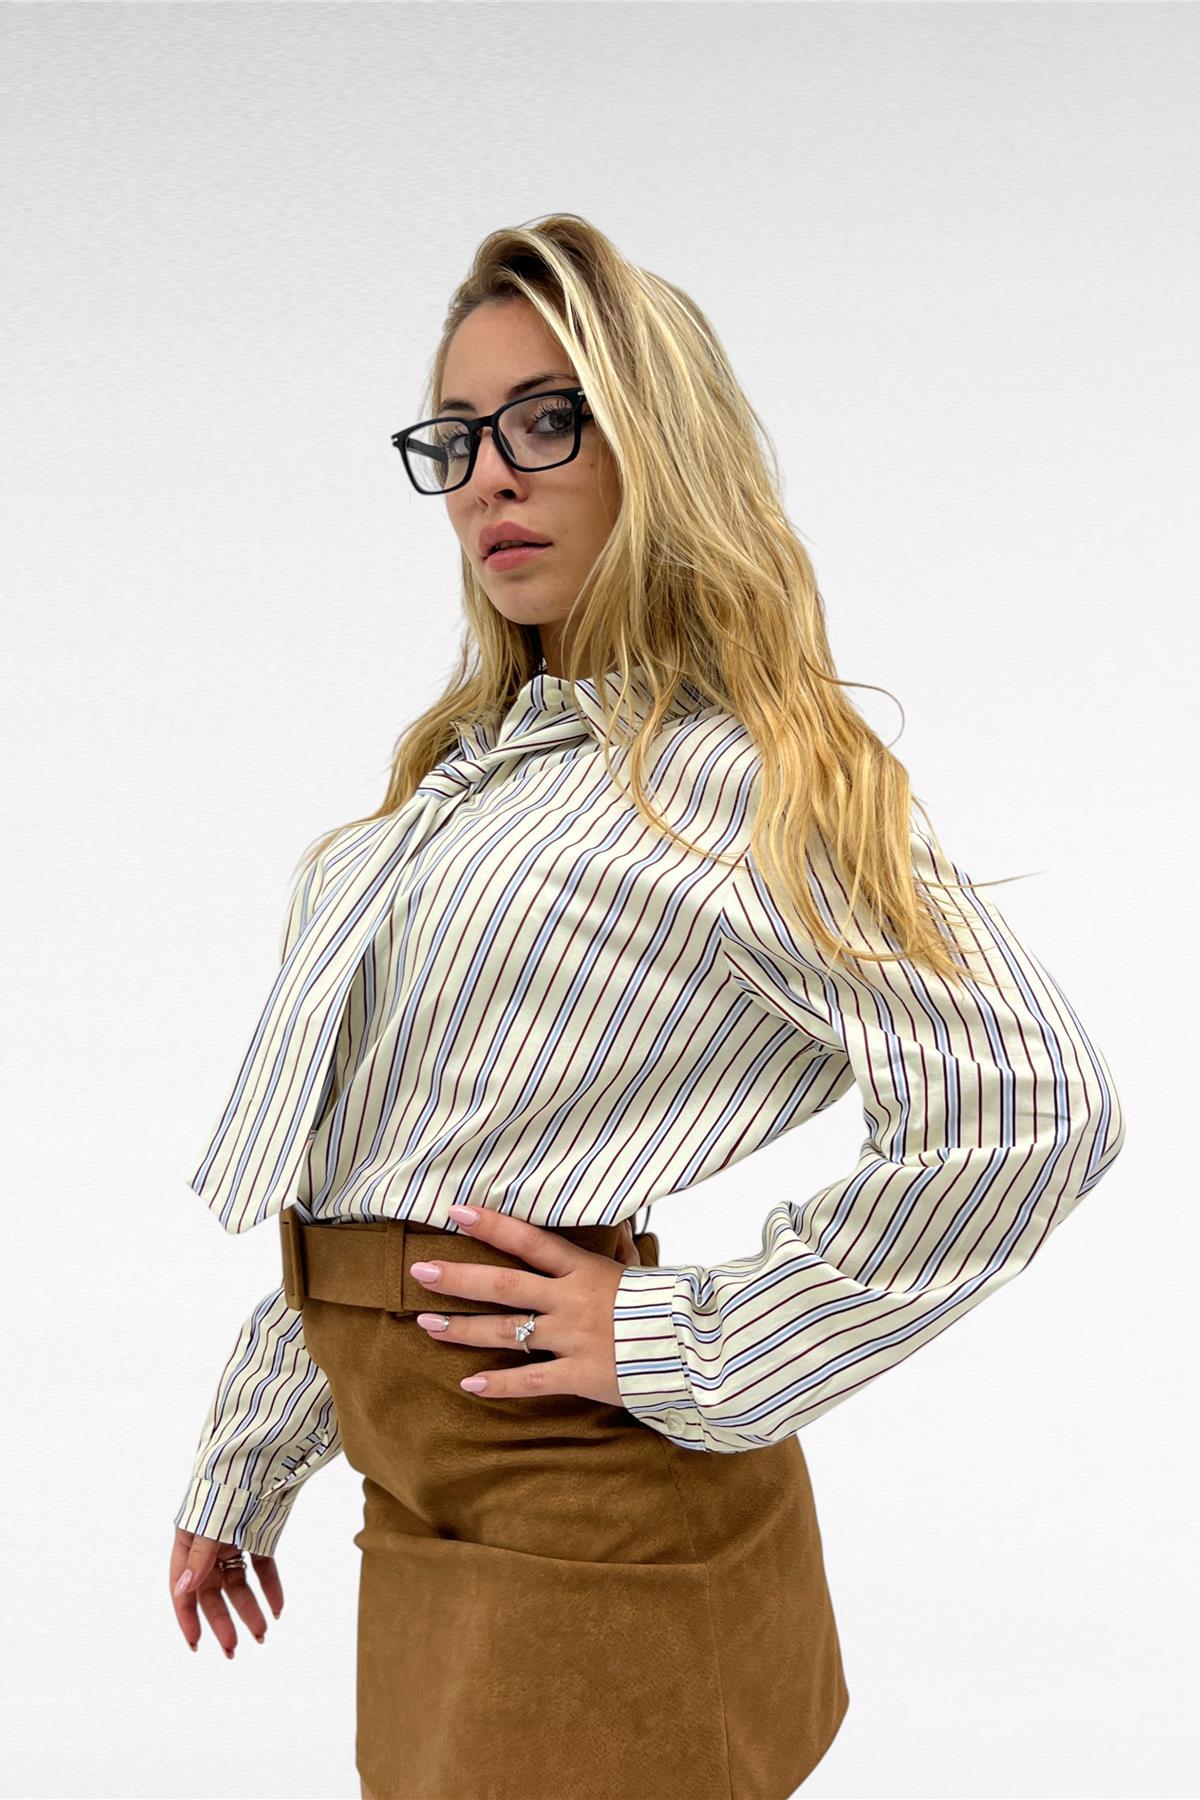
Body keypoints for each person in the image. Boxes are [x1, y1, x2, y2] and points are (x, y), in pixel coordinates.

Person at [167, 214, 1126, 1800]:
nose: (489, 477)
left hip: (579, 1492)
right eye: (457, 437)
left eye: (547, 420)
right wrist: (250, 1453)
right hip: (421, 1495)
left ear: (658, 444)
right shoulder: (456, 789)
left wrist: (695, 1337)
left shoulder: (737, 781)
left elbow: (1034, 1110)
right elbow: (380, 1169)